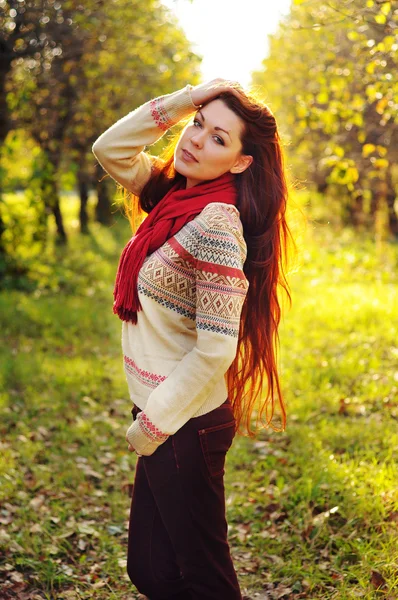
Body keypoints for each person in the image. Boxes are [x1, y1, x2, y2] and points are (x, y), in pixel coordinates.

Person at [92, 78, 297, 600]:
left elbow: (215, 348)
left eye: (218, 138)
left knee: (204, 580)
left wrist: (154, 422)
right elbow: (109, 148)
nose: (196, 139)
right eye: (198, 124)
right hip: (162, 417)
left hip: (184, 424)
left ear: (241, 163)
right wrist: (187, 98)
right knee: (153, 572)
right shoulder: (170, 198)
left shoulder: (214, 224)